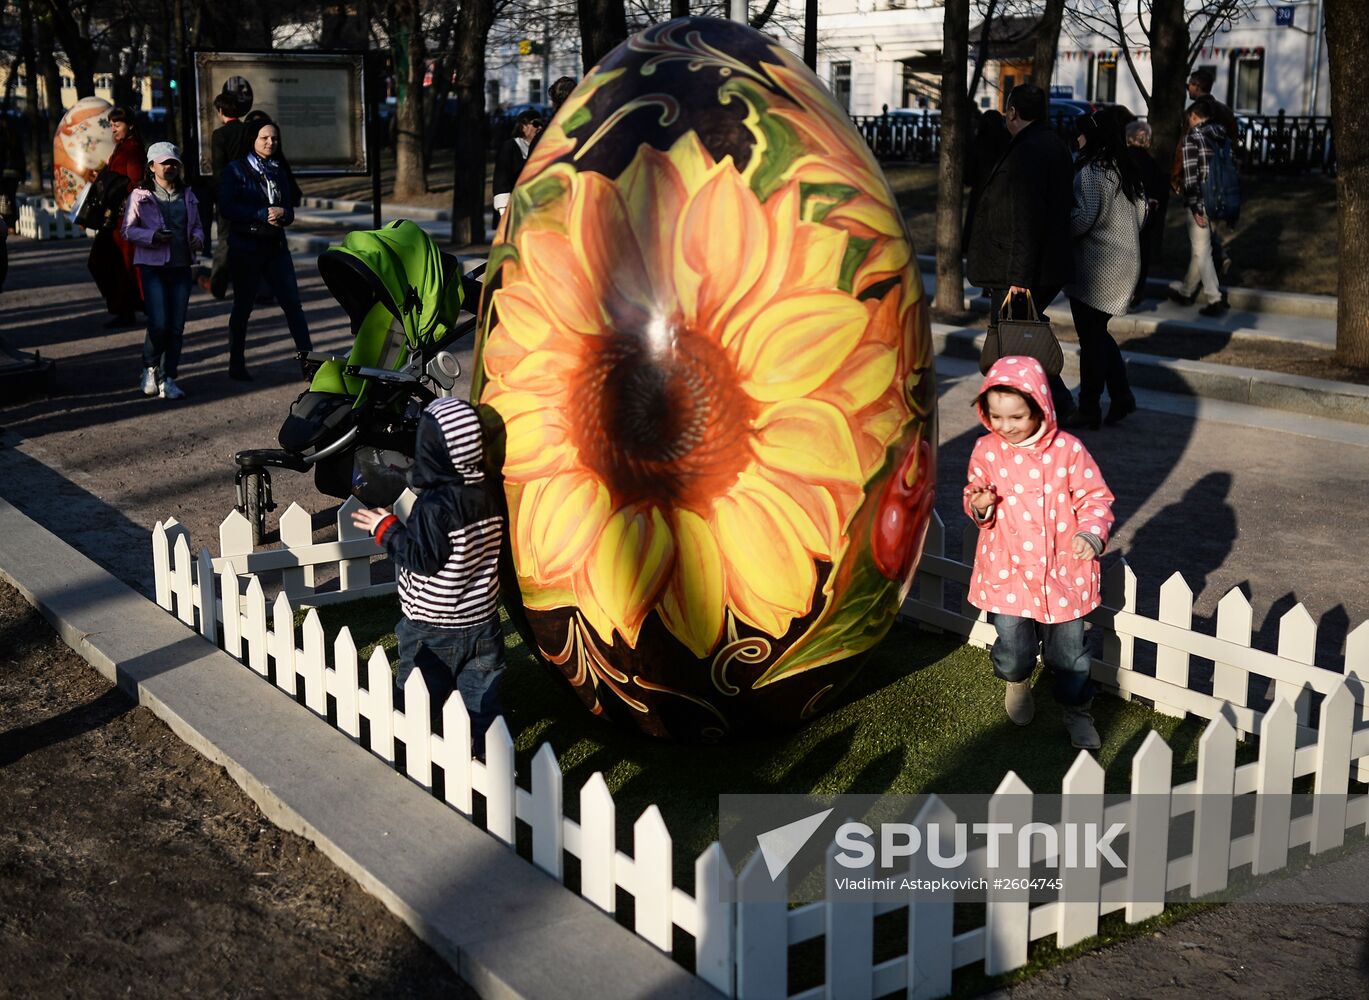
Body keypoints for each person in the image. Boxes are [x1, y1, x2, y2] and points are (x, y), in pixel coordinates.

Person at [963, 356, 1115, 750]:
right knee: (1012, 645)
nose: (1005, 426)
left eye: (1016, 416)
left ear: (1040, 407)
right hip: (1008, 568)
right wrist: (980, 504)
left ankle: (1077, 711)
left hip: (1063, 569)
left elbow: (1095, 497)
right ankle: (1017, 680)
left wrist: (1091, 532)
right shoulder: (987, 450)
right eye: (996, 416)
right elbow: (975, 494)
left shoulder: (1068, 450)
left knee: (1070, 653)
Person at [350, 398, 506, 758]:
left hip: (433, 626)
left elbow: (422, 559)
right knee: (481, 700)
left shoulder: (435, 507)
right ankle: (492, 760)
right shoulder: (489, 491)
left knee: (417, 697)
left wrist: (386, 528)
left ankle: (401, 752)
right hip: (482, 621)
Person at [966, 83, 1076, 420]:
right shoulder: (1050, 143)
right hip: (1038, 263)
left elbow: (1026, 218)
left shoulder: (1029, 150)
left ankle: (1034, 409)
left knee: (1012, 341)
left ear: (1013, 112)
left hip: (1022, 267)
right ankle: (1046, 405)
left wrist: (1018, 277)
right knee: (1020, 338)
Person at [1062, 109, 1147, 430]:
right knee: (1097, 333)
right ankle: (1121, 395)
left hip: (1096, 268)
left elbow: (1081, 220)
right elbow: (1142, 216)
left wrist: (1057, 220)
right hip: (1125, 263)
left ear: (1092, 136)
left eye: (1081, 133)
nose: (1078, 138)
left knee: (1091, 338)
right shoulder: (1124, 169)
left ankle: (1089, 406)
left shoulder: (1091, 172)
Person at [218, 118, 312, 380]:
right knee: (243, 306)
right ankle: (236, 364)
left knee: (293, 305)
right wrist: (261, 213)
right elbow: (226, 207)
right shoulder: (236, 170)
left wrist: (283, 214)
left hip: (276, 247)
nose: (271, 143)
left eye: (274, 138)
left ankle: (310, 364)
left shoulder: (278, 169)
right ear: (252, 140)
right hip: (245, 248)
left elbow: (289, 209)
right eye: (265, 138)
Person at [122, 142, 205, 401]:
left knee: (177, 327)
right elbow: (128, 230)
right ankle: (149, 368)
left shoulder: (187, 194)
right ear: (151, 166)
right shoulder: (140, 195)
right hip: (153, 267)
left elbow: (198, 226)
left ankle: (168, 377)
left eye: (173, 163)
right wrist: (153, 236)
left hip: (181, 266)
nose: (170, 167)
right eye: (164, 163)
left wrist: (198, 238)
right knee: (159, 323)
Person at [1168, 100, 1229, 317]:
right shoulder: (1221, 136)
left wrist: (1194, 207)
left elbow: (1192, 177)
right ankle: (1186, 292)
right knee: (1201, 247)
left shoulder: (1193, 138)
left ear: (1194, 116)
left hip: (1201, 201)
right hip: (1220, 200)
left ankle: (1214, 298)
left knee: (1202, 251)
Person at [88, 106, 145, 328]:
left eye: (117, 125)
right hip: (113, 217)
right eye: (111, 125)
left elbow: (136, 184)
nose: (113, 129)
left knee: (120, 264)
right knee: (106, 262)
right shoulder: (121, 147)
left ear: (130, 125)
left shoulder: (133, 149)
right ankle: (125, 307)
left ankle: (127, 309)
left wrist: (113, 186)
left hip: (124, 217)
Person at [207, 93, 247, 299]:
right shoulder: (248, 131)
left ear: (221, 111)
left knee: (225, 239)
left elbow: (219, 168)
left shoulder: (220, 135)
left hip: (229, 193)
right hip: (248, 192)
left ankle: (218, 284)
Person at [1125, 121, 1167, 308]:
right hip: (1146, 217)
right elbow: (1160, 191)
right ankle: (1137, 291)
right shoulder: (1152, 163)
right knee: (1142, 252)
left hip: (1125, 215)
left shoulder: (1123, 160)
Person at [492, 109, 543, 231]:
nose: (540, 128)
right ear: (523, 127)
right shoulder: (510, 147)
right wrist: (503, 210)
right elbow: (501, 178)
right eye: (535, 124)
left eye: (542, 124)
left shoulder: (541, 149)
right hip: (513, 209)